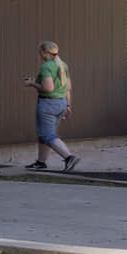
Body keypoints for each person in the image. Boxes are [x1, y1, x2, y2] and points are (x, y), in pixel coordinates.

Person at [24, 40, 80, 172]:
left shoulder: (47, 67)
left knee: (47, 134)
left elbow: (48, 88)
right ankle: (41, 162)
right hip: (61, 103)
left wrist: (32, 83)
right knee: (45, 134)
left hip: (48, 104)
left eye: (40, 52)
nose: (39, 54)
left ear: (44, 53)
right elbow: (68, 87)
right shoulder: (63, 65)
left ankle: (69, 158)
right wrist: (68, 105)